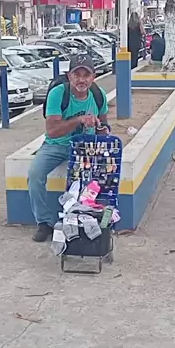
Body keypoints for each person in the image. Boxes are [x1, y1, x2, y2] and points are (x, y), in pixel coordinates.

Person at [28, 54, 109, 242]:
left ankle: (88, 220)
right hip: (56, 146)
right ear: (69, 76)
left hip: (85, 147)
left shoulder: (99, 95)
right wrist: (79, 120)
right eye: (76, 75)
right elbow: (52, 131)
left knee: (97, 180)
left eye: (86, 75)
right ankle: (44, 222)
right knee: (35, 175)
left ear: (93, 77)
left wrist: (100, 131)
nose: (81, 80)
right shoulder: (58, 94)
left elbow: (104, 126)